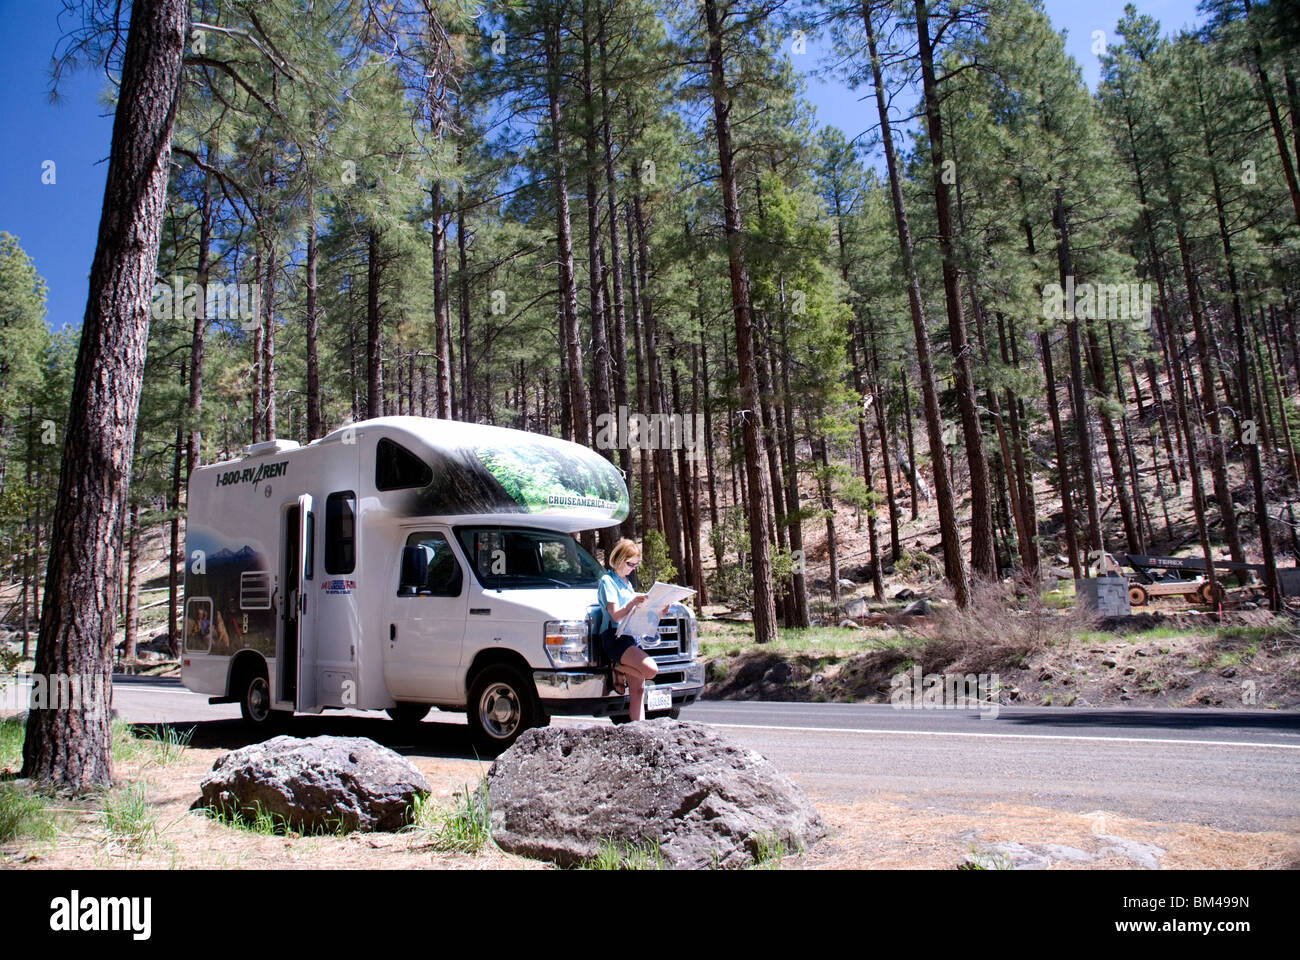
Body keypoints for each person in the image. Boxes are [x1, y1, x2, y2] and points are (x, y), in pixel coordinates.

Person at [596, 538, 667, 721]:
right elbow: (615, 615)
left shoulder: (626, 583)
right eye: (630, 564)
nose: (633, 568)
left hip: (630, 636)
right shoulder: (607, 581)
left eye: (635, 564)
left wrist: (659, 610)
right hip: (615, 637)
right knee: (651, 670)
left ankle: (639, 729)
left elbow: (637, 612)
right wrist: (632, 603)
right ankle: (617, 666)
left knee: (638, 689)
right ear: (619, 559)